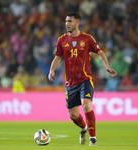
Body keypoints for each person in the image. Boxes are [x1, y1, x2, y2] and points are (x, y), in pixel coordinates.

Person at [48, 12, 117, 146]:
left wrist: (106, 66)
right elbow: (57, 57)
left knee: (86, 105)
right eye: (66, 21)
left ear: (77, 23)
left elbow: (100, 52)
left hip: (85, 79)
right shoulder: (61, 40)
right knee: (73, 115)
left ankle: (93, 138)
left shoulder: (87, 39)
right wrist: (52, 70)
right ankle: (84, 128)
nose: (67, 24)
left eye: (70, 21)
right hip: (70, 82)